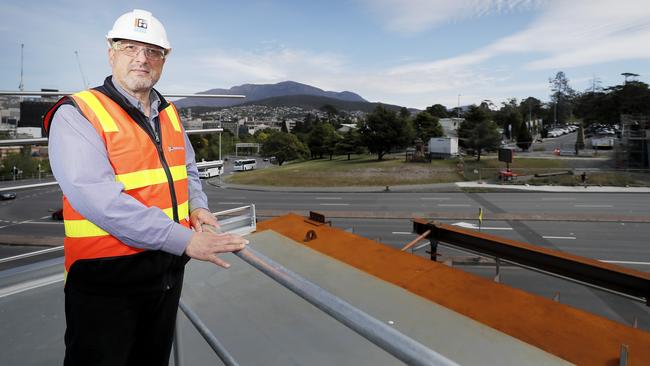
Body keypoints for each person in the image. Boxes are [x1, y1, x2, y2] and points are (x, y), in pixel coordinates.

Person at [43, 9, 248, 366]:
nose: (142, 58)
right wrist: (187, 240)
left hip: (165, 270)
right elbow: (99, 201)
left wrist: (197, 206)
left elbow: (187, 171)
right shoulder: (78, 113)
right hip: (104, 277)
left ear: (163, 60)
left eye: (153, 51)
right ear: (111, 52)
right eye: (130, 47)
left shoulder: (169, 112)